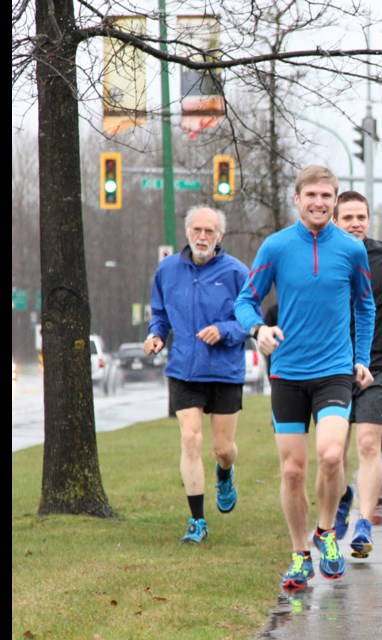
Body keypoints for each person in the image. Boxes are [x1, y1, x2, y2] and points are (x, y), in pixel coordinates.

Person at [234, 165, 375, 590]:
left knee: (332, 456)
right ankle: (300, 555)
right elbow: (246, 300)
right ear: (297, 199)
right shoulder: (276, 247)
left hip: (334, 369)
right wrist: (259, 330)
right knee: (293, 470)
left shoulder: (351, 250)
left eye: (326, 196)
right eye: (310, 195)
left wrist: (362, 357)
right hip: (289, 373)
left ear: (335, 200)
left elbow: (365, 306)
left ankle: (326, 531)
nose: (318, 202)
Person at [143, 205, 249, 545]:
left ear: (220, 236)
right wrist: (156, 335)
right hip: (184, 369)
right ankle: (197, 520)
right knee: (190, 439)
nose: (202, 236)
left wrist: (223, 330)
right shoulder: (167, 270)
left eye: (209, 231)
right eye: (197, 230)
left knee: (222, 447)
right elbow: (159, 314)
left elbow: (249, 320)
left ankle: (225, 472)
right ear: (188, 233)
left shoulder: (237, 272)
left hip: (224, 370)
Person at [323, 191, 382, 555]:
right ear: (334, 220)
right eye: (347, 217)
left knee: (368, 444)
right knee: (335, 452)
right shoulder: (322, 254)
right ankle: (344, 495)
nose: (355, 224)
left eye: (361, 217)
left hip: (377, 361)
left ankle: (364, 525)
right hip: (331, 365)